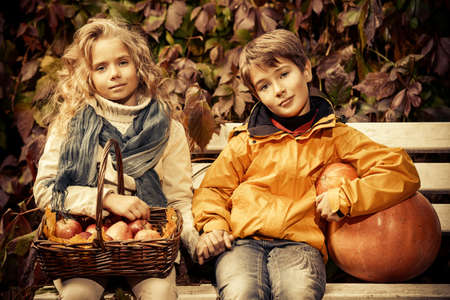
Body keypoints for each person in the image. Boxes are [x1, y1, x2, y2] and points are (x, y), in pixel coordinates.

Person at [192, 29, 420, 300]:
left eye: (284, 74)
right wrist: (214, 225)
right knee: (242, 292)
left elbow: (400, 169)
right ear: (258, 96)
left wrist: (346, 197)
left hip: (301, 245)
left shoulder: (334, 136)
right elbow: (212, 190)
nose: (278, 90)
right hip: (242, 243)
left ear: (307, 71)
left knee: (298, 294)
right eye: (264, 86)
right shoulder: (247, 141)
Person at [33, 18, 199, 300]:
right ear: (88, 76)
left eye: (123, 62)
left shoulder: (168, 128)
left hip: (146, 248)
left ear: (139, 65)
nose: (114, 74)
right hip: (84, 248)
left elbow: (178, 201)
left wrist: (195, 241)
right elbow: (47, 191)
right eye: (101, 67)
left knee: (159, 294)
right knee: (78, 295)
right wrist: (106, 199)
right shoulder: (71, 123)